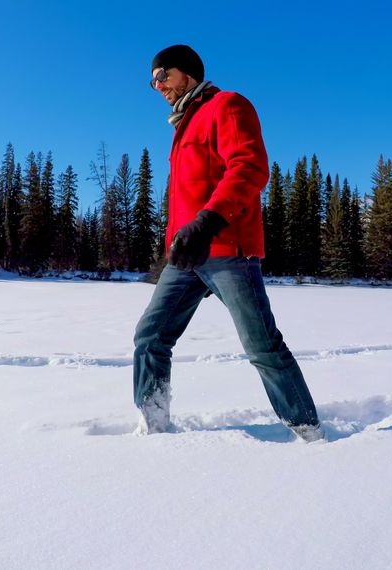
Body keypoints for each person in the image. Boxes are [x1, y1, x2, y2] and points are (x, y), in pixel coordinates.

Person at [132, 44, 324, 443]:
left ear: (186, 73)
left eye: (162, 75)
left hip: (227, 251)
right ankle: (152, 424)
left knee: (262, 347)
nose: (157, 86)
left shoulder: (227, 105)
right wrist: (179, 240)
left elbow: (250, 167)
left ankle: (308, 431)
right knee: (150, 337)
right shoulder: (183, 124)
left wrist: (207, 222)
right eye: (152, 81)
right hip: (186, 258)